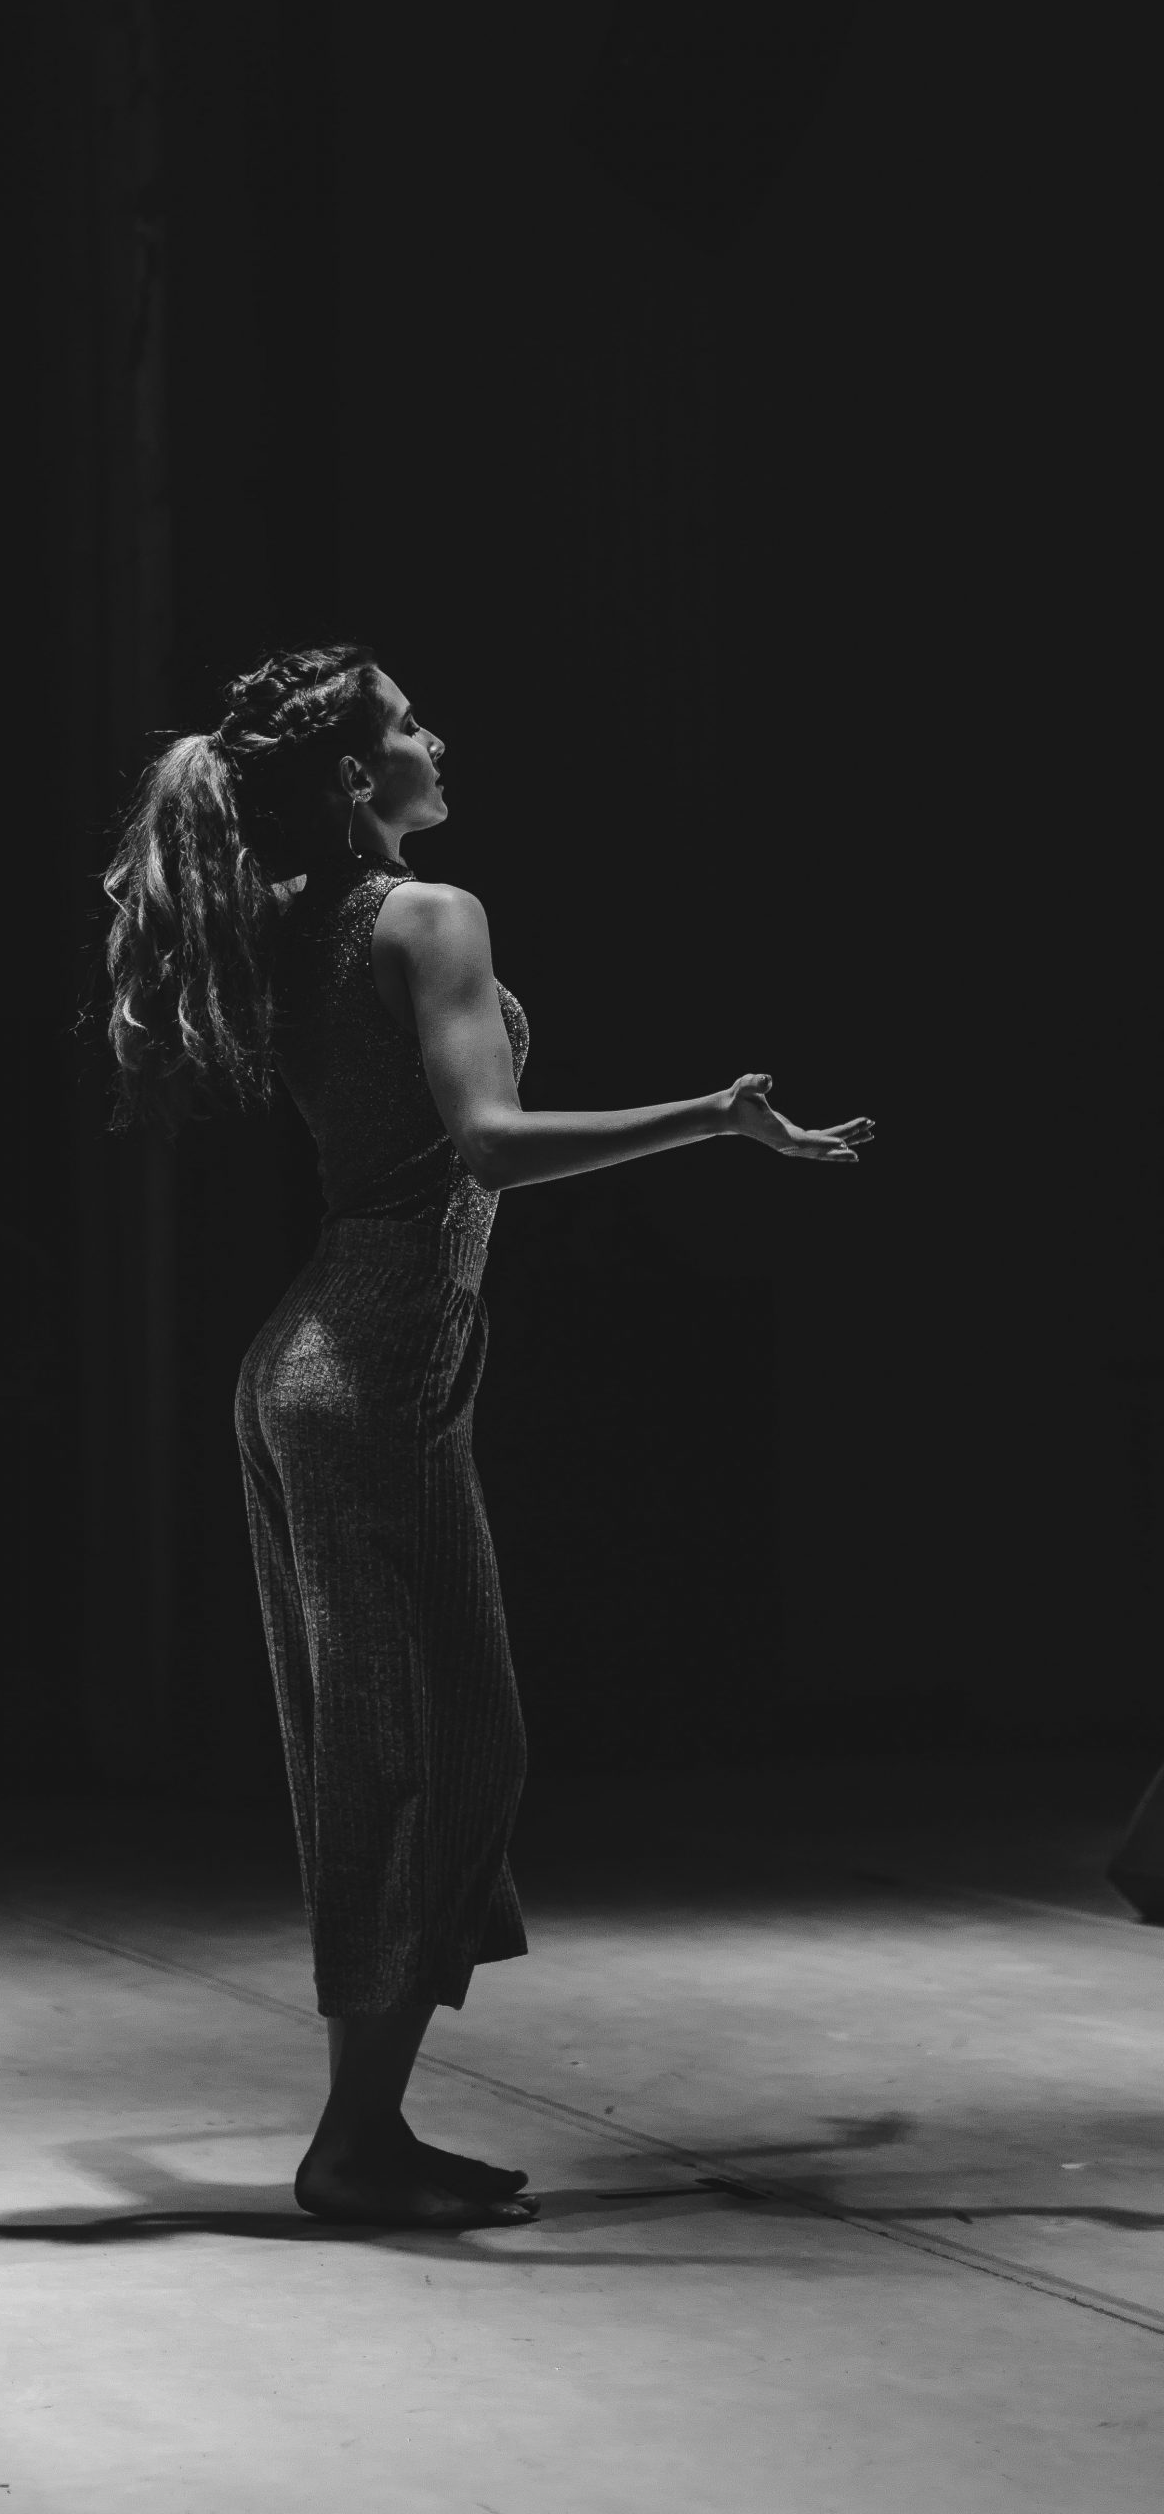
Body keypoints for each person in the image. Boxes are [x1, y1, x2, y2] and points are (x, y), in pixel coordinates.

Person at [104, 644, 873, 2229]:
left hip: (334, 1366)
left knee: (411, 1751)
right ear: (351, 776)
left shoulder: (301, 914)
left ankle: (364, 2130)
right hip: (366, 1369)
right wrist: (715, 1118)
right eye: (408, 724)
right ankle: (354, 2143)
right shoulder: (425, 915)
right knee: (429, 1754)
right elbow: (492, 1146)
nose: (438, 737)